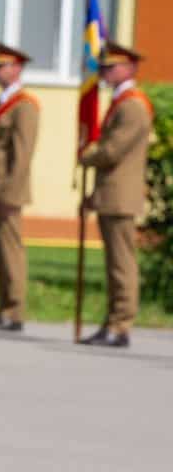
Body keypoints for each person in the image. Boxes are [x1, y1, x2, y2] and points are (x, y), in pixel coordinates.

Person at [78, 41, 154, 349]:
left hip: (122, 194)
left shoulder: (133, 105)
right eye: (104, 67)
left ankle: (120, 324)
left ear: (131, 68)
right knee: (114, 264)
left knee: (122, 264)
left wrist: (88, 154)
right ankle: (112, 321)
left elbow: (113, 151)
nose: (106, 72)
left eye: (112, 67)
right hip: (112, 192)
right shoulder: (121, 103)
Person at [0, 41, 39, 332]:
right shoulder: (3, 102)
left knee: (11, 249)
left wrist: (11, 191)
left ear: (17, 69)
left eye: (2, 66)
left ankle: (14, 309)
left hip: (8, 190)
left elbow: (22, 154)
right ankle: (3, 307)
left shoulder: (24, 106)